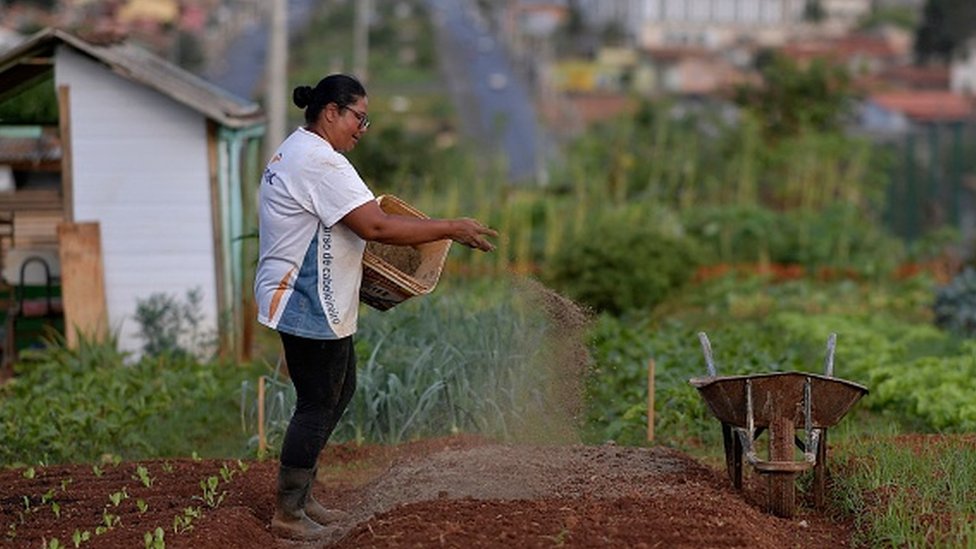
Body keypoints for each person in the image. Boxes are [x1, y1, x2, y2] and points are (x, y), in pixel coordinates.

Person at [254, 73, 497, 540]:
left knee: (338, 392)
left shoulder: (302, 149)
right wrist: (451, 227)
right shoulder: (321, 163)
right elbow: (377, 228)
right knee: (317, 401)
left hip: (309, 293)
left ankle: (303, 499)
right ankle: (288, 512)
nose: (363, 130)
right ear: (332, 112)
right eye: (359, 119)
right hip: (306, 296)